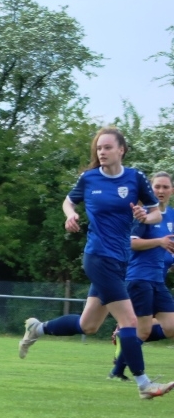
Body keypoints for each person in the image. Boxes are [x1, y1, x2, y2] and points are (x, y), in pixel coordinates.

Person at [19, 127, 174, 400]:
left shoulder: (135, 177)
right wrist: (70, 215)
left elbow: (155, 216)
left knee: (88, 325)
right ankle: (144, 384)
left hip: (120, 261)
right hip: (98, 257)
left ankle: (38, 328)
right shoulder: (89, 178)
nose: (101, 152)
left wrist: (143, 215)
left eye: (107, 147)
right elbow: (68, 202)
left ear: (121, 150)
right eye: (98, 148)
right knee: (128, 320)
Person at [108, 171, 174, 381]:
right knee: (142, 332)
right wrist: (159, 242)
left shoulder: (172, 215)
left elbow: (169, 247)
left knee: (171, 326)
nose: (161, 191)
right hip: (140, 279)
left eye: (165, 187)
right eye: (157, 187)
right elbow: (131, 243)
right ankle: (121, 364)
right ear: (150, 190)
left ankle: (124, 338)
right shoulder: (142, 214)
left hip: (158, 280)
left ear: (171, 190)